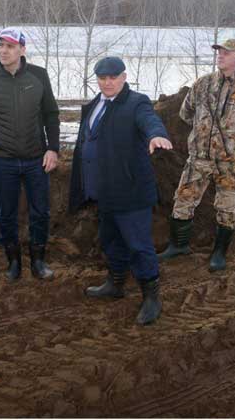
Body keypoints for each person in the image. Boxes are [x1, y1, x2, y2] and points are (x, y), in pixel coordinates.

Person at [68, 56, 173, 325]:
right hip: (105, 192)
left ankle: (151, 297)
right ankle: (115, 284)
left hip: (131, 191)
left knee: (139, 246)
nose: (107, 82)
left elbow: (149, 120)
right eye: (102, 78)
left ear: (124, 77)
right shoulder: (95, 104)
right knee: (110, 240)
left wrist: (156, 135)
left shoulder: (135, 102)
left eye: (113, 77)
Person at [158, 39, 235, 271]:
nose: (220, 55)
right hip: (199, 158)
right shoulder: (202, 84)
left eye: (226, 52)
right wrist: (204, 133)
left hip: (230, 162)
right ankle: (178, 245)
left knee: (227, 208)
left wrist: (232, 135)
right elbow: (186, 113)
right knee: (183, 199)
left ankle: (219, 253)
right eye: (219, 52)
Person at [0, 27, 60, 282]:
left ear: (22, 49)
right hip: (4, 159)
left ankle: (38, 261)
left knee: (40, 211)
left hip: (36, 158)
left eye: (10, 46)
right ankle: (13, 262)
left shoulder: (39, 76)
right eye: (1, 45)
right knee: (6, 213)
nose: (3, 50)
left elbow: (51, 115)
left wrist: (53, 149)